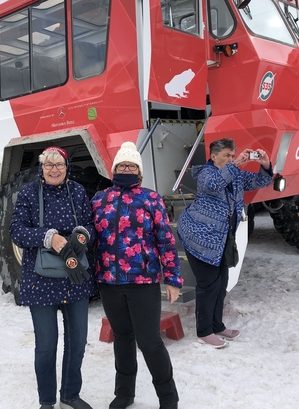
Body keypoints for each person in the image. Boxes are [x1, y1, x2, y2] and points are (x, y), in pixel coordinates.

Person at [91, 141, 183, 409]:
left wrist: (173, 279)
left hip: (143, 281)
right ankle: (124, 394)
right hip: (109, 281)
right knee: (122, 338)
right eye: (122, 164)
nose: (126, 168)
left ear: (139, 173)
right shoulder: (100, 199)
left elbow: (165, 240)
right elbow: (90, 236)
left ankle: (168, 397)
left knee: (149, 341)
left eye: (132, 165)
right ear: (114, 169)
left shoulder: (150, 198)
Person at [9, 146, 97, 409]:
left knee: (78, 342)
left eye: (59, 164)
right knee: (46, 345)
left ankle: (70, 394)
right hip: (41, 281)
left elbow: (90, 225)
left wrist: (81, 236)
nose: (54, 169)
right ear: (42, 169)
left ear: (66, 167)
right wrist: (48, 237)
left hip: (75, 278)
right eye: (49, 165)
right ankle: (46, 400)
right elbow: (16, 231)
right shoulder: (27, 194)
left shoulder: (78, 192)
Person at [177, 138, 273, 349]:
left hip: (221, 238)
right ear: (213, 156)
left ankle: (217, 325)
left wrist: (264, 163)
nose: (231, 159)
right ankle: (204, 331)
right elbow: (214, 184)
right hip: (199, 237)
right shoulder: (206, 173)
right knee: (208, 284)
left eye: (232, 155)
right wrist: (236, 163)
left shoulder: (234, 174)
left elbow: (260, 182)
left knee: (221, 284)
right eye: (227, 156)